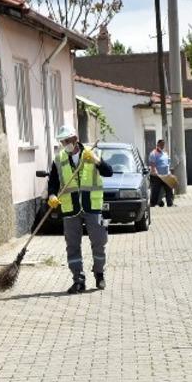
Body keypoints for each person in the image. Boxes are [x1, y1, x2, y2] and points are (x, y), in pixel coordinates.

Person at [47, 125, 114, 293]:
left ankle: (99, 275)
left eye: (68, 141)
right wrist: (52, 196)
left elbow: (109, 172)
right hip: (70, 208)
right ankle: (78, 279)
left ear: (75, 139)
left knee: (99, 242)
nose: (65, 144)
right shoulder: (59, 159)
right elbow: (53, 183)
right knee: (72, 246)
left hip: (92, 207)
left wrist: (97, 161)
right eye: (63, 142)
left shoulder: (92, 154)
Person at [147, 139, 175, 207]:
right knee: (155, 191)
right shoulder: (153, 153)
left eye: (163, 145)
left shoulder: (165, 153)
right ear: (157, 145)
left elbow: (167, 164)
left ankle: (170, 203)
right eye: (161, 144)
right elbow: (152, 165)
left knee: (169, 189)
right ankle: (153, 204)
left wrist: (169, 172)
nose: (162, 146)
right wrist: (155, 172)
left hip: (166, 175)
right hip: (157, 176)